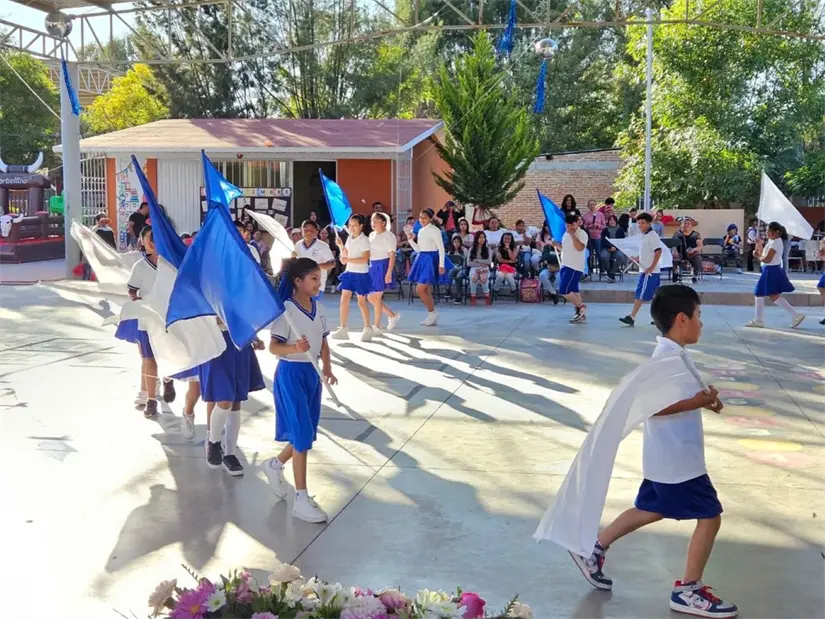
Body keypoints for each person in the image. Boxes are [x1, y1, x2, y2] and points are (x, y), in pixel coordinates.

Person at [568, 285, 739, 619]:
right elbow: (653, 407)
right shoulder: (665, 361)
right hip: (678, 462)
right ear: (681, 319)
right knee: (710, 517)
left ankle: (592, 549)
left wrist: (704, 400)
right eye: (699, 316)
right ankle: (688, 590)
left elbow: (680, 394)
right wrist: (697, 401)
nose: (702, 323)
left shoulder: (675, 355)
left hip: (667, 457)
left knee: (651, 508)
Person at [263, 258, 338, 523]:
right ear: (298, 281)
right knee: (302, 434)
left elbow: (324, 343)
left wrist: (327, 368)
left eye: (319, 277)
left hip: (312, 373)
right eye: (314, 278)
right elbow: (274, 347)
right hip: (291, 373)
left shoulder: (320, 309)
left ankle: (274, 465)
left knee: (305, 432)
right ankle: (301, 499)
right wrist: (294, 348)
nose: (319, 282)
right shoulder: (286, 311)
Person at [120, 226, 173, 417]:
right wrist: (138, 301)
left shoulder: (172, 263)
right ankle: (151, 399)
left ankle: (167, 378)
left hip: (168, 320)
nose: (152, 241)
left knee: (168, 354)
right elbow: (132, 290)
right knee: (148, 358)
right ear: (142, 241)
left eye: (155, 237)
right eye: (148, 237)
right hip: (147, 320)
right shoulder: (140, 266)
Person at [746, 221, 805, 329]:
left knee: (759, 293)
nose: (766, 232)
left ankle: (759, 320)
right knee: (774, 296)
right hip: (770, 270)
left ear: (775, 232)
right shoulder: (772, 241)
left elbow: (767, 259)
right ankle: (795, 315)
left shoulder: (776, 243)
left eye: (768, 231)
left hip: (771, 270)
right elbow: (764, 254)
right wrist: (759, 245)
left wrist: (757, 256)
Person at [331, 215, 373, 341]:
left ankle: (367, 328)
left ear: (361, 226)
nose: (352, 228)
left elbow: (364, 259)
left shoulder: (364, 240)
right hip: (349, 272)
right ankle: (343, 328)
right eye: (350, 225)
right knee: (344, 299)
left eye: (355, 225)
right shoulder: (349, 238)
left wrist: (347, 259)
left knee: (361, 302)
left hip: (361, 273)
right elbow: (345, 255)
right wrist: (340, 246)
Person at [406, 208, 451, 325]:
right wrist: (410, 241)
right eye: (420, 217)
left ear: (430, 219)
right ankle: (431, 315)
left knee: (420, 289)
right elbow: (419, 249)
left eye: (425, 218)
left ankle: (432, 312)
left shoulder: (435, 230)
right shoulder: (421, 230)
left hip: (431, 260)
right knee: (426, 289)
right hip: (422, 258)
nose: (422, 220)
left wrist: (441, 265)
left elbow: (441, 247)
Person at [620, 212, 662, 327]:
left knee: (640, 294)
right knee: (655, 296)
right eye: (639, 223)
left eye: (642, 223)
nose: (640, 225)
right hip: (648, 270)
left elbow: (658, 251)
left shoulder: (652, 236)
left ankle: (632, 316)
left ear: (649, 223)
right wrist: (638, 258)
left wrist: (650, 268)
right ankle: (660, 317)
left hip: (649, 272)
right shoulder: (644, 235)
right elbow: (646, 251)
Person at [368, 212, 401, 332]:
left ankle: (376, 325)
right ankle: (392, 315)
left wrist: (389, 272)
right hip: (372, 266)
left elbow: (392, 255)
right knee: (371, 298)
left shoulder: (389, 236)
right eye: (372, 220)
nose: (373, 223)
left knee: (376, 296)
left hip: (383, 266)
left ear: (383, 223)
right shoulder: (371, 235)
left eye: (376, 221)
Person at [555, 213, 589, 323]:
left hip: (574, 267)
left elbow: (579, 248)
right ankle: (580, 314)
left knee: (564, 290)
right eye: (567, 226)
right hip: (565, 264)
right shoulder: (565, 234)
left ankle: (581, 306)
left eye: (572, 225)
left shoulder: (582, 234)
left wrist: (572, 234)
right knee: (574, 290)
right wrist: (556, 245)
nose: (570, 228)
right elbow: (566, 249)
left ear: (577, 223)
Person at [295, 220, 336, 297]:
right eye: (306, 230)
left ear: (317, 232)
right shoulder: (298, 245)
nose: (309, 233)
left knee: (312, 303)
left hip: (317, 283)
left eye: (312, 230)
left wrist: (314, 266)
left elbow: (332, 263)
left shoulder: (322, 246)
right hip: (302, 282)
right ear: (301, 230)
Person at [672, 218, 703, 283]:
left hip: (692, 253)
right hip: (679, 253)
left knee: (698, 259)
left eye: (688, 224)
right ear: (681, 225)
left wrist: (694, 249)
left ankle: (695, 275)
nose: (687, 225)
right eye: (685, 223)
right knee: (673, 257)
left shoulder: (696, 234)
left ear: (691, 226)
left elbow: (700, 246)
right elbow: (673, 244)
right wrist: (675, 251)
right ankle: (675, 273)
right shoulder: (677, 233)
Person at [599, 214, 627, 282]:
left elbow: (622, 241)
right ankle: (609, 272)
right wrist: (609, 247)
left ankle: (612, 273)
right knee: (603, 256)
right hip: (607, 248)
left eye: (613, 220)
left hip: (617, 248)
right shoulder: (605, 230)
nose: (612, 221)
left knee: (620, 256)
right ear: (608, 221)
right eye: (610, 220)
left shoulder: (620, 230)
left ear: (616, 221)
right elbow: (603, 240)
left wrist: (615, 248)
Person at [467, 230, 492, 305]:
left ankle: (487, 296)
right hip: (474, 268)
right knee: (473, 278)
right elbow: (469, 263)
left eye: (483, 237)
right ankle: (473, 296)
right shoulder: (471, 249)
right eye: (480, 237)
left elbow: (489, 261)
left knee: (483, 278)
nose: (482, 239)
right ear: (476, 239)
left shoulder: (488, 249)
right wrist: (481, 264)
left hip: (485, 268)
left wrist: (477, 260)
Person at [446, 234, 469, 304]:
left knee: (458, 275)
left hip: (463, 268)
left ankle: (456, 295)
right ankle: (449, 290)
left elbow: (466, 262)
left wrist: (459, 267)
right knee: (452, 271)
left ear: (460, 243)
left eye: (458, 242)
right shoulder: (450, 252)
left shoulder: (464, 250)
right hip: (453, 268)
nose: (456, 243)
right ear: (452, 243)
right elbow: (449, 263)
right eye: (455, 242)